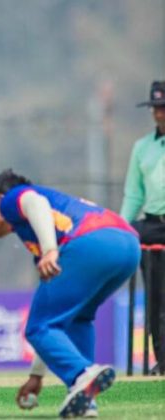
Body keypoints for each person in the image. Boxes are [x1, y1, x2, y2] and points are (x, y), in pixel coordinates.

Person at [0, 169, 140, 418]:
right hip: (128, 245)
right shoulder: (38, 232)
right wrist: (36, 376)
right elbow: (52, 320)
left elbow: (34, 202)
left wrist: (50, 250)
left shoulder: (11, 199)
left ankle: (81, 374)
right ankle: (85, 397)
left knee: (37, 327)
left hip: (91, 242)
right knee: (78, 318)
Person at [120, 80, 165, 376]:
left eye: (163, 108)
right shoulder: (142, 147)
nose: (159, 113)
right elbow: (134, 194)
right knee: (155, 299)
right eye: (155, 108)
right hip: (153, 224)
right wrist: (120, 228)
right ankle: (162, 358)